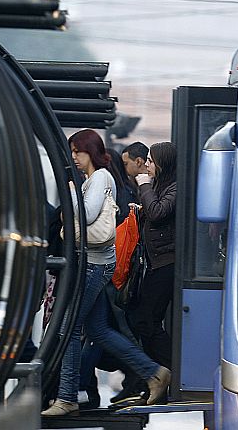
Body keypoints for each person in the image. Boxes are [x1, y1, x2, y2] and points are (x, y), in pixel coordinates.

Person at [42, 130, 170, 416]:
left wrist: (71, 194)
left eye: (79, 151)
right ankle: (154, 373)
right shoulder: (93, 180)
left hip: (92, 265)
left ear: (92, 151)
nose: (74, 157)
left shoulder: (99, 177)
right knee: (98, 329)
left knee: (68, 329)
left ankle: (66, 398)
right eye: (72, 151)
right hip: (94, 264)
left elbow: (85, 214)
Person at [129, 142, 177, 378]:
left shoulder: (175, 188)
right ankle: (159, 373)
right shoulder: (163, 186)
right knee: (142, 320)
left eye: (151, 161)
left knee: (145, 321)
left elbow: (158, 212)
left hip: (166, 262)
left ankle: (170, 370)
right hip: (156, 261)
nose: (147, 165)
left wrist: (145, 187)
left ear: (162, 163)